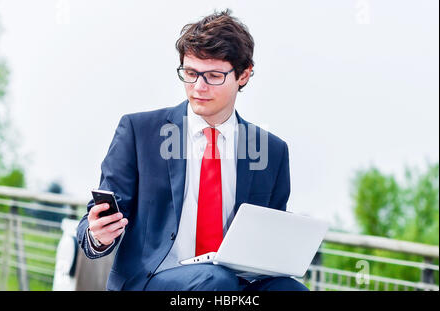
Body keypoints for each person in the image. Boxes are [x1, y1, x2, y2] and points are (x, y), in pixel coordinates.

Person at [76, 9, 308, 291]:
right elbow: (95, 223)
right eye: (190, 73)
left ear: (244, 74)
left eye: (212, 76)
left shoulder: (272, 152)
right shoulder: (140, 132)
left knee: (289, 289)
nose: (198, 87)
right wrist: (96, 234)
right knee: (216, 280)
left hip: (234, 283)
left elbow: (268, 243)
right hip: (153, 281)